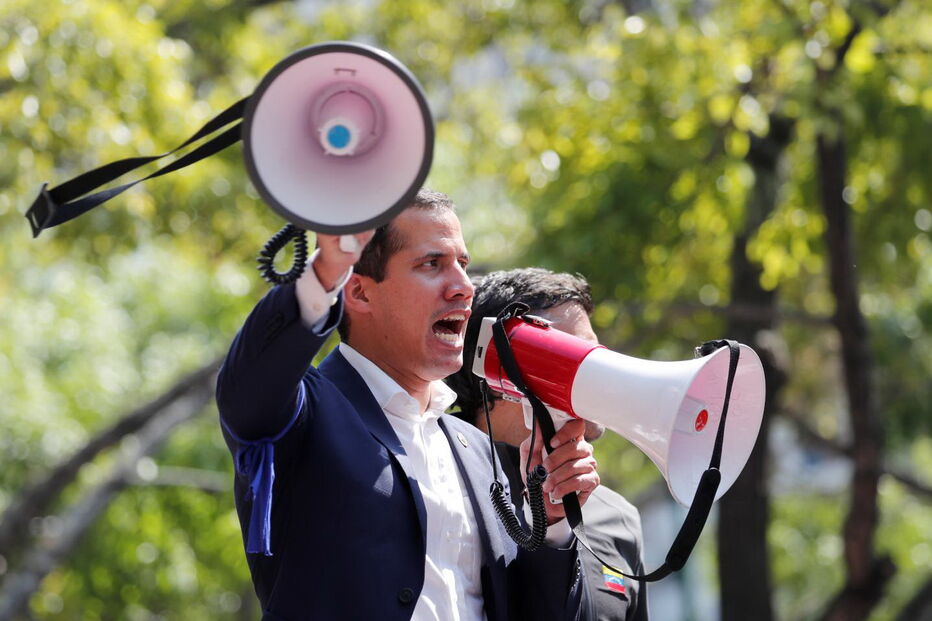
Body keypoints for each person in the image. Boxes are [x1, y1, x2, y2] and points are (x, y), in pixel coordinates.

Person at [216, 190, 600, 620]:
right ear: (358, 293)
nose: (464, 287)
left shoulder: (476, 450)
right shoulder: (303, 414)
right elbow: (249, 380)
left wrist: (550, 523)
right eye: (432, 264)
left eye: (463, 264)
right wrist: (324, 270)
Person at [446, 268, 649, 621]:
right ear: (498, 368)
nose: (599, 372)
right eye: (572, 357)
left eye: (595, 353)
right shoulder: (434, 482)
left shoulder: (618, 519)